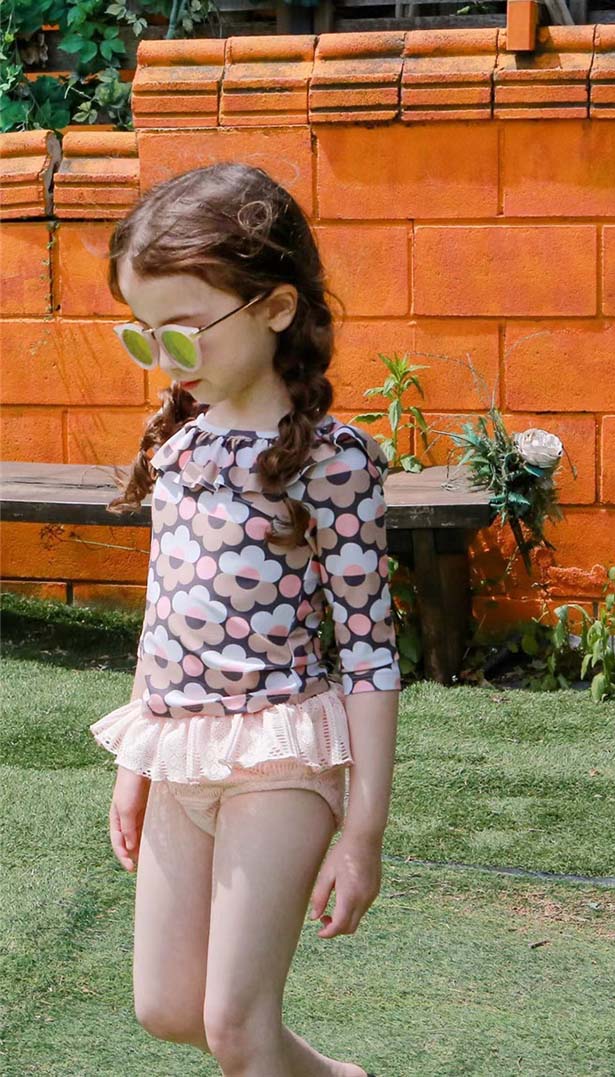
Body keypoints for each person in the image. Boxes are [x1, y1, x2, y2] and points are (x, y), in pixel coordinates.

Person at [88, 162, 400, 1077]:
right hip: (180, 750)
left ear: (275, 308)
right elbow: (163, 616)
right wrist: (138, 764)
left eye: (183, 333)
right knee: (168, 1007)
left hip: (280, 752)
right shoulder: (180, 447)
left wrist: (364, 833)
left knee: (234, 1023)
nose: (166, 361)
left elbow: (371, 651)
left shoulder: (332, 463)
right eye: (144, 337)